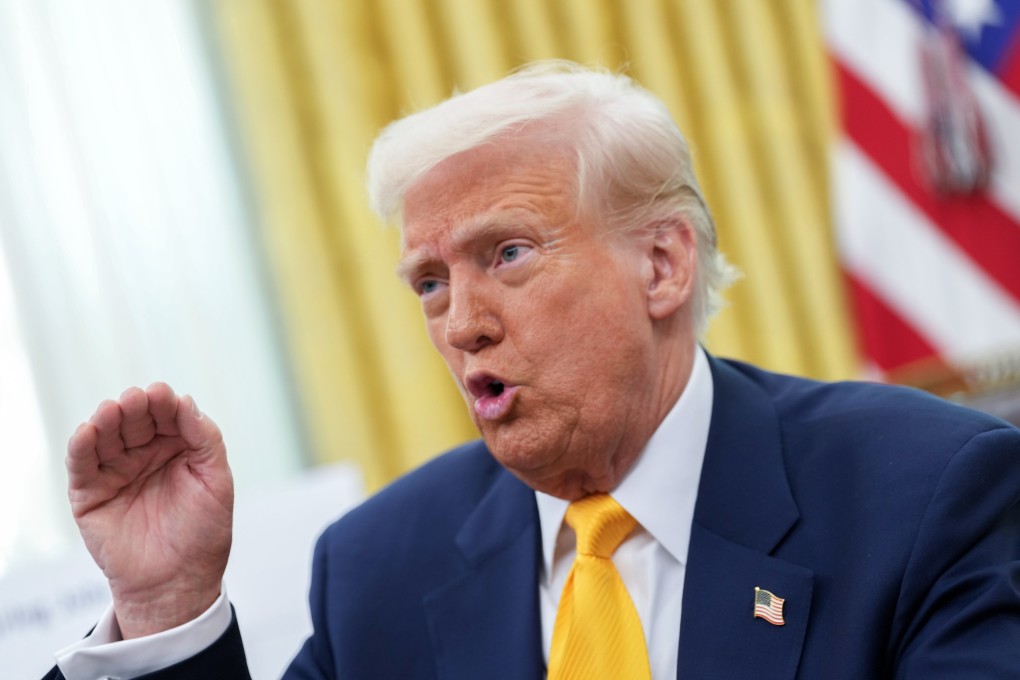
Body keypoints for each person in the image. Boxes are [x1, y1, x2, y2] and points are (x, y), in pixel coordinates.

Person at [48, 61, 1020, 679]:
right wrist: (165, 605)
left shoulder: (932, 491)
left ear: (662, 264)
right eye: (428, 282)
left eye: (506, 254)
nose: (462, 323)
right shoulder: (381, 566)